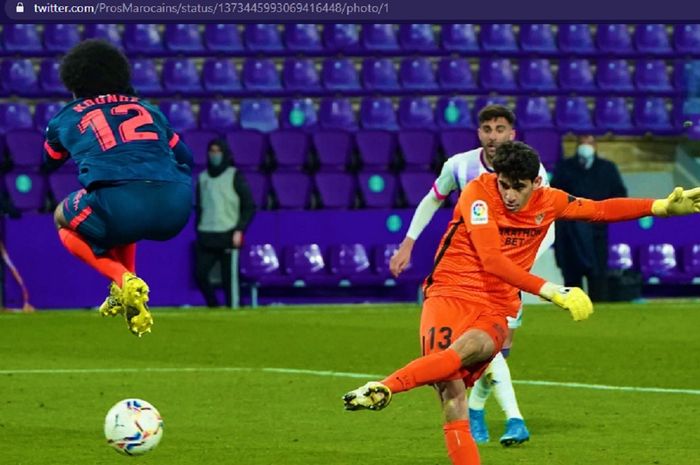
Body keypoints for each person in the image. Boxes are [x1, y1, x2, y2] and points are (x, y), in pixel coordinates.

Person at [343, 141, 700, 465]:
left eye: (519, 186)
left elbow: (599, 210)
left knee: (470, 350)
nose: (510, 194)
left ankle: (387, 386)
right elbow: (492, 260)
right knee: (451, 393)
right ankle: (386, 389)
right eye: (504, 184)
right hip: (449, 292)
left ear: (536, 184)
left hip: (497, 304)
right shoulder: (478, 196)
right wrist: (553, 291)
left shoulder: (550, 201)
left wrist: (660, 207)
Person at [390, 104, 551, 446]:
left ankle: (476, 408)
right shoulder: (460, 165)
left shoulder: (531, 171)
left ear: (512, 134)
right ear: (479, 133)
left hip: (507, 274)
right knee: (478, 350)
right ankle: (513, 419)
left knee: (498, 351)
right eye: (488, 129)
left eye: (500, 129)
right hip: (468, 278)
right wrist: (408, 243)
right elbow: (432, 199)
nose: (494, 136)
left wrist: (524, 263)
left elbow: (547, 221)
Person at [42, 39, 193, 336]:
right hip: (177, 203)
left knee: (61, 217)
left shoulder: (65, 116)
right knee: (121, 223)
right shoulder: (148, 110)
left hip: (120, 201)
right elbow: (186, 157)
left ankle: (123, 278)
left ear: (73, 82)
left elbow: (49, 161)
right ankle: (123, 288)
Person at [551, 135, 627, 301]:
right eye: (582, 142)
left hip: (597, 231)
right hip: (570, 233)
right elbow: (553, 197)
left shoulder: (607, 168)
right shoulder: (564, 168)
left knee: (598, 278)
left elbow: (620, 194)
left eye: (589, 142)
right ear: (577, 145)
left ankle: (599, 317)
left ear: (596, 145)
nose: (586, 146)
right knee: (572, 279)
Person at [195, 138, 256, 308]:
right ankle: (214, 307)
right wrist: (198, 229)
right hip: (206, 233)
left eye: (217, 151)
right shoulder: (203, 178)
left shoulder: (234, 175)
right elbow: (200, 206)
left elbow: (249, 206)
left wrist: (239, 229)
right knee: (200, 274)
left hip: (228, 233)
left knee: (229, 278)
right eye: (211, 151)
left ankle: (234, 309)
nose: (214, 155)